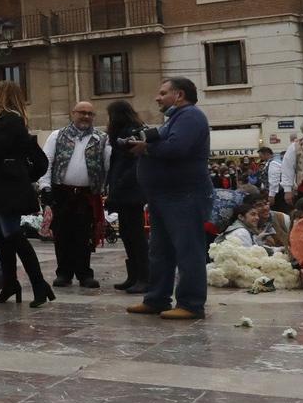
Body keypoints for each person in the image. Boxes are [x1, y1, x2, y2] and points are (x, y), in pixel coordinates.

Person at [126, 77, 212, 321]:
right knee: (160, 251)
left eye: (163, 93)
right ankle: (156, 299)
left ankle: (191, 304)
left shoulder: (191, 116)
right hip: (165, 195)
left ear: (180, 95)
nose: (157, 97)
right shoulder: (175, 119)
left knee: (188, 251)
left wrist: (146, 148)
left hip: (184, 195)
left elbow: (177, 148)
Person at [0, 81, 52, 306]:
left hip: (9, 188)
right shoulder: (4, 120)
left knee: (13, 235)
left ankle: (39, 285)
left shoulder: (11, 120)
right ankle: (10, 284)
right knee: (0, 235)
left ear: (4, 95)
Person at [40, 100, 109, 289]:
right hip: (62, 193)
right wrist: (45, 187)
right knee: (62, 234)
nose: (86, 116)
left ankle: (85, 274)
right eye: (82, 112)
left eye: (90, 113)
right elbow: (47, 161)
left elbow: (107, 164)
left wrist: (106, 188)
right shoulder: (57, 136)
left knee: (84, 235)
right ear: (73, 113)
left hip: (87, 195)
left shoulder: (101, 138)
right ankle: (63, 273)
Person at [106, 100, 149, 292]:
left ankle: (144, 277)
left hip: (130, 191)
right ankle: (134, 276)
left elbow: (134, 163)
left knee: (135, 234)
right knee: (127, 232)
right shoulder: (123, 133)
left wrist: (121, 182)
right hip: (124, 190)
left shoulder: (129, 133)